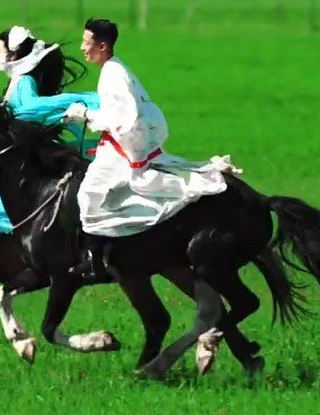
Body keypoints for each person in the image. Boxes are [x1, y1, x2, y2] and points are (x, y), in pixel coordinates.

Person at [64, 17, 236, 280]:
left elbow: (123, 120)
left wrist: (87, 115)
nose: (82, 48)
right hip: (123, 142)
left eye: (86, 43)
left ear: (102, 45)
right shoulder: (113, 69)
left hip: (124, 146)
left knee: (89, 195)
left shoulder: (114, 75)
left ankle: (97, 260)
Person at [0, 25, 99, 276]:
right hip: (12, 146)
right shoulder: (16, 80)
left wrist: (75, 102)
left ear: (13, 55)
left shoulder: (23, 81)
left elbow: (31, 107)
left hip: (18, 152)